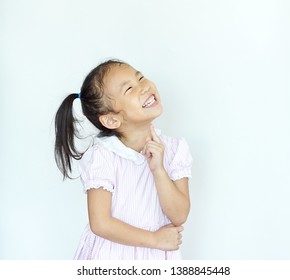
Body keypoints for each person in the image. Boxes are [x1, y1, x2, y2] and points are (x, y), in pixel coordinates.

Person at [54, 59, 192, 260]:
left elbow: (179, 215)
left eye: (141, 77)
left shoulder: (175, 149)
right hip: (113, 256)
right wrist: (155, 239)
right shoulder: (103, 156)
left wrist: (159, 171)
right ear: (111, 119)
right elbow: (100, 223)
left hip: (157, 257)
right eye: (129, 89)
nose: (144, 86)